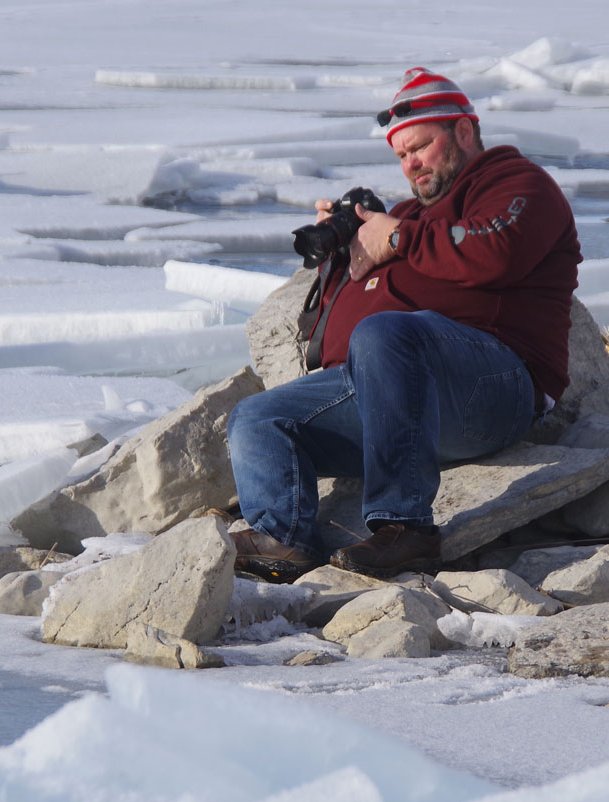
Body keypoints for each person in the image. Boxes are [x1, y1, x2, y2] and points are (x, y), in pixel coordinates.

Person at [226, 67, 581, 582]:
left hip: (498, 385)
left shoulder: (519, 184)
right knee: (256, 417)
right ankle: (283, 540)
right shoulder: (410, 215)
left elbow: (494, 255)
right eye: (401, 155)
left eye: (420, 147)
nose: (411, 164)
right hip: (394, 394)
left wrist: (396, 239)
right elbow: (339, 331)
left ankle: (406, 530)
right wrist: (344, 254)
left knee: (386, 332)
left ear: (462, 131)